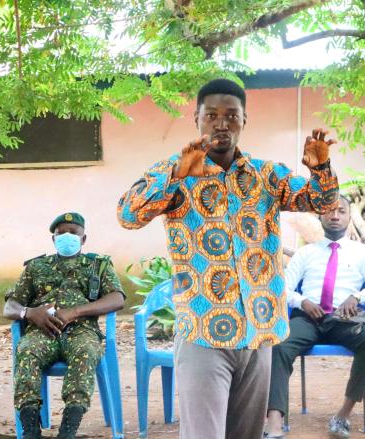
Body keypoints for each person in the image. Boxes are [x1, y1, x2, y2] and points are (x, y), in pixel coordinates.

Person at [117, 78, 340, 439]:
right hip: (204, 334)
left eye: (231, 115)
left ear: (244, 120)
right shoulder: (176, 173)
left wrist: (320, 170)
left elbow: (322, 204)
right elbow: (128, 216)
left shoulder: (267, 176)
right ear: (197, 118)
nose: (222, 124)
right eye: (213, 115)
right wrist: (174, 176)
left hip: (258, 332)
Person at [263, 196, 365, 438]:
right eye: (329, 211)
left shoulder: (362, 253)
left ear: (348, 216)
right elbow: (283, 290)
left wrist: (358, 296)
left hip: (345, 319)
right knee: (278, 346)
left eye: (341, 211)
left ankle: (342, 416)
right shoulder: (306, 253)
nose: (335, 216)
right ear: (320, 216)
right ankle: (274, 421)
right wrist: (303, 301)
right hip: (308, 318)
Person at [4, 212, 125, 439]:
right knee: (26, 351)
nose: (67, 236)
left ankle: (67, 432)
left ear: (83, 238)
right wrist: (30, 313)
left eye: (73, 232)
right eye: (61, 233)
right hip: (43, 331)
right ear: (53, 239)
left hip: (82, 331)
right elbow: (9, 306)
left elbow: (117, 298)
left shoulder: (98, 266)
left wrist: (76, 311)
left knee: (86, 351)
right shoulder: (36, 267)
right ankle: (30, 432)